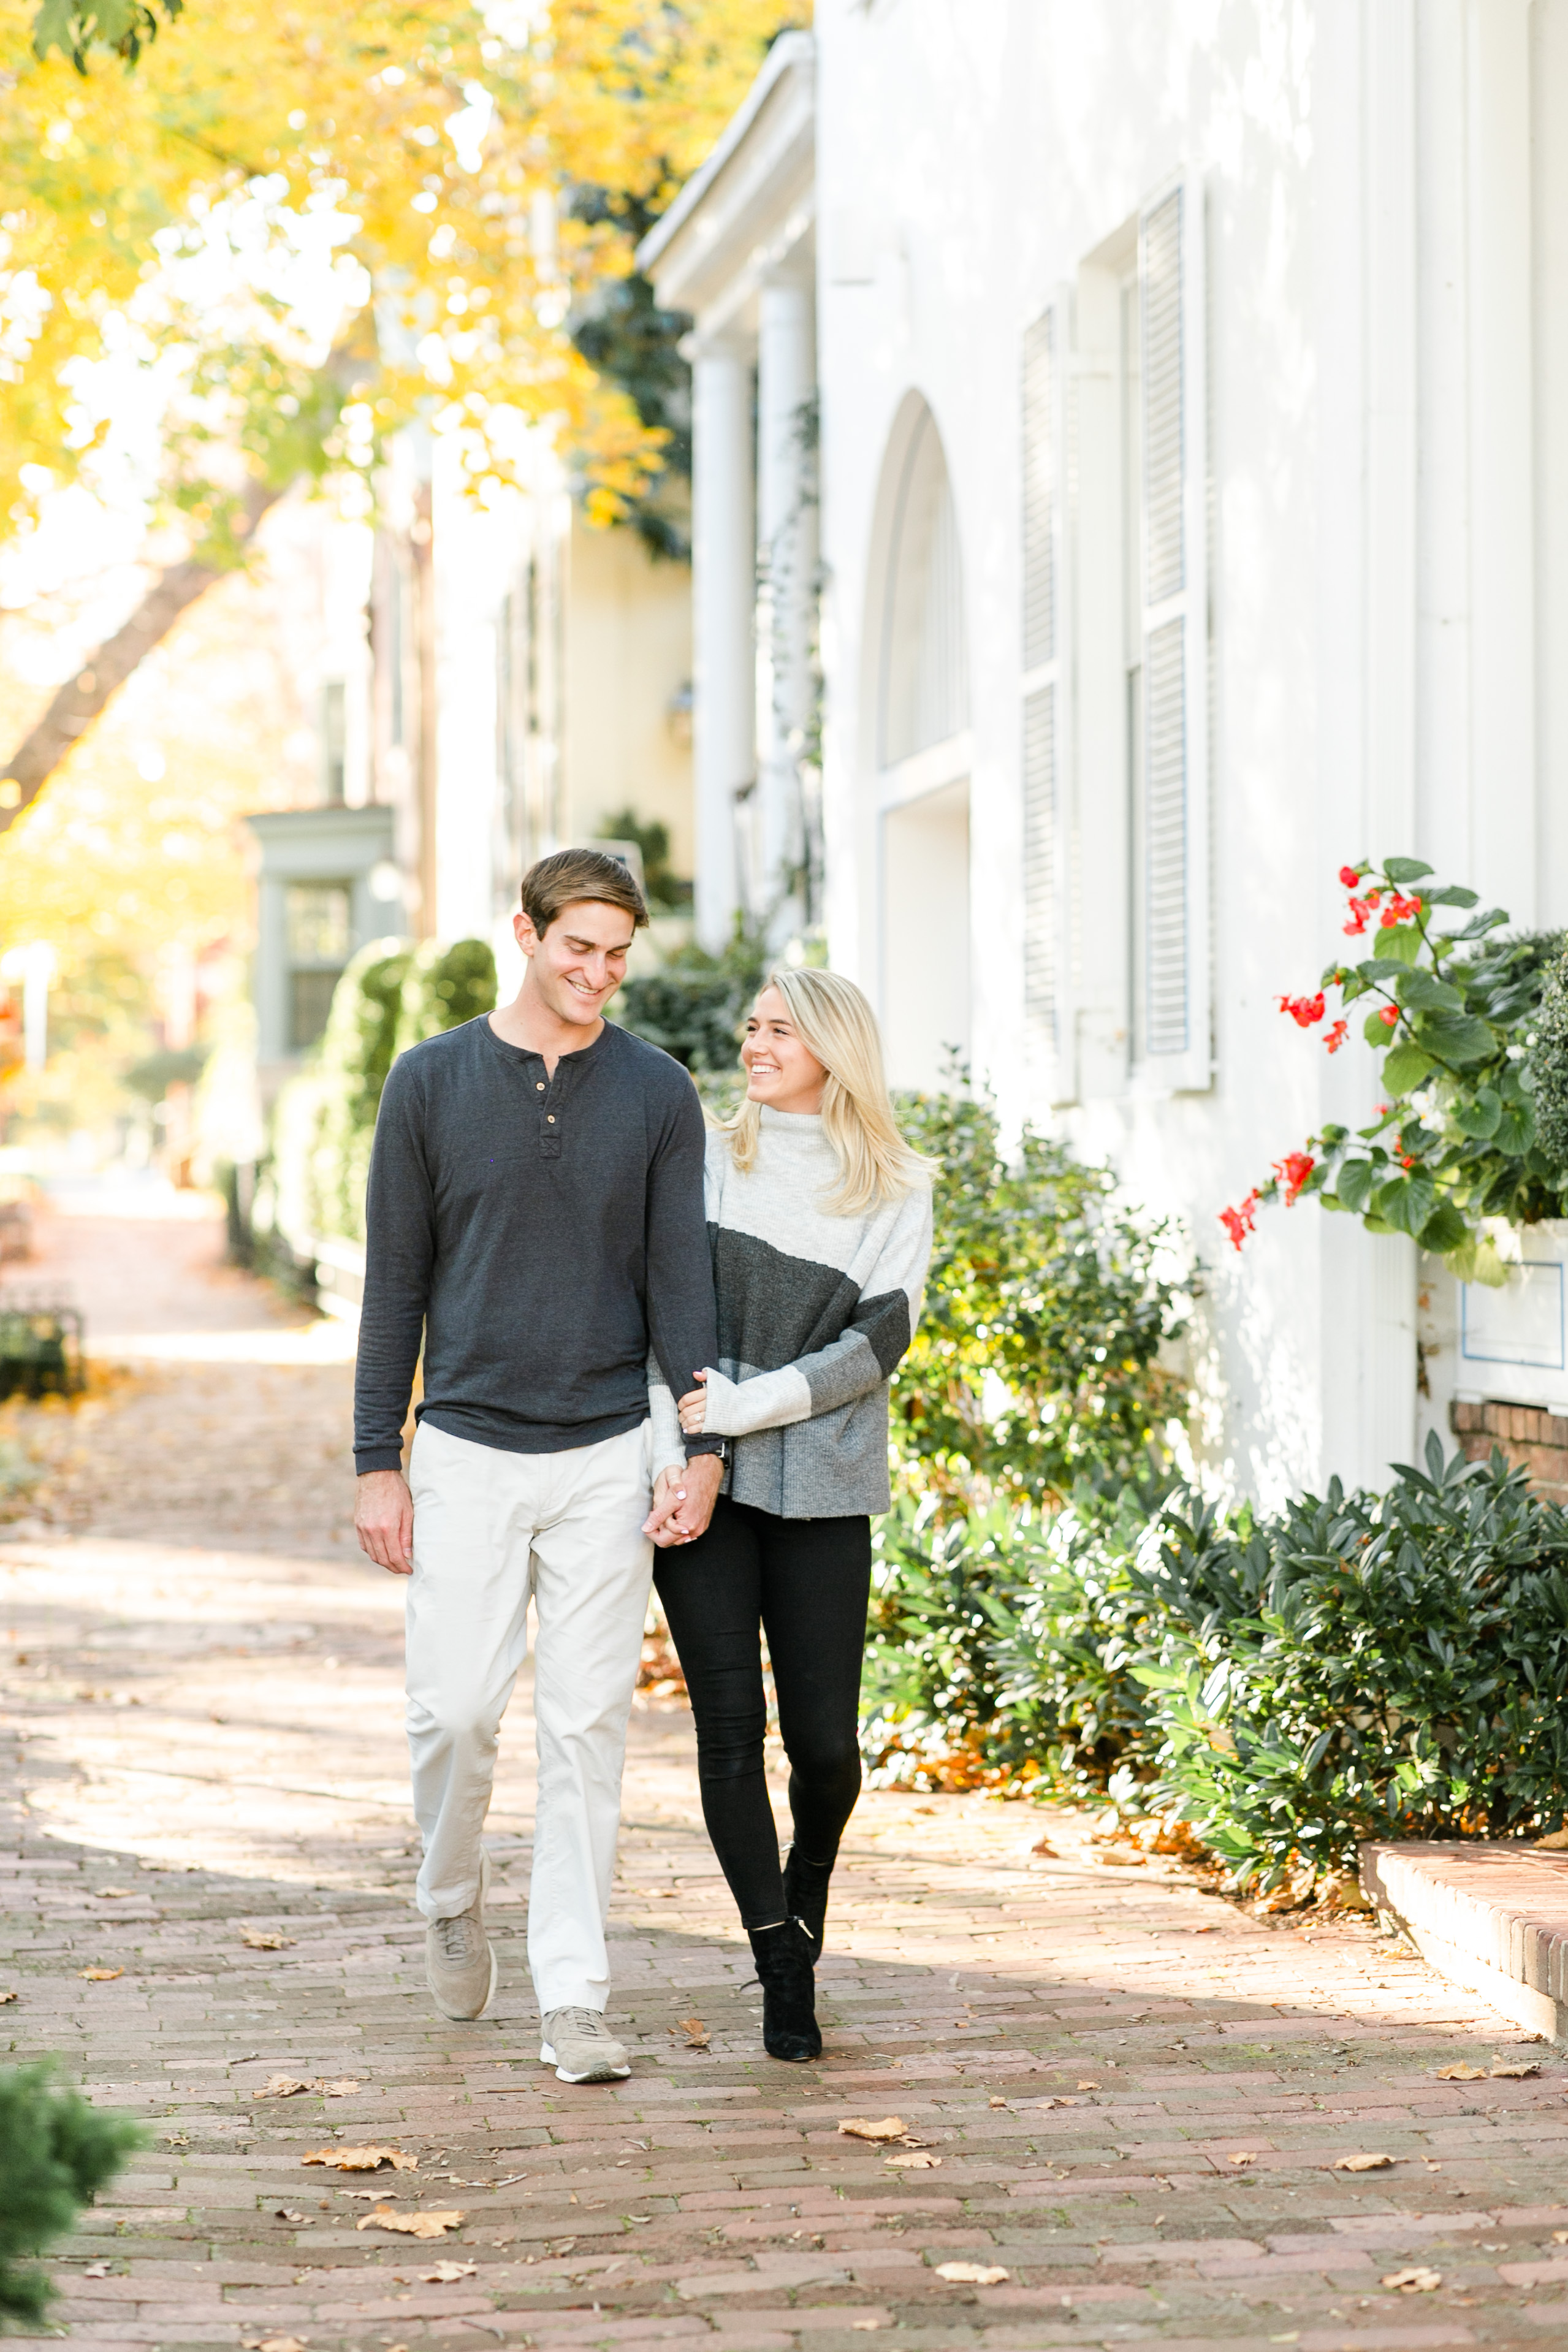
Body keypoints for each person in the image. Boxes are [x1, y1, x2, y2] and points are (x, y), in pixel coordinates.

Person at [352, 847, 725, 2086]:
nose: (599, 973)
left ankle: (573, 1993)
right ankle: (446, 1889)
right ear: (526, 932)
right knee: (453, 1710)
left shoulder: (657, 1091)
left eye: (619, 953)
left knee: (584, 1731)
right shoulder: (429, 1081)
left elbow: (681, 1282)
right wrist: (376, 1458)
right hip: (462, 1445)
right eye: (579, 947)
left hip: (607, 1452)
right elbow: (394, 1283)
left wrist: (703, 1443)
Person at [647, 968, 933, 2063]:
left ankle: (805, 1889)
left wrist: (744, 1402)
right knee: (729, 1731)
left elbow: (875, 1346)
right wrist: (692, 1441)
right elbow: (665, 1311)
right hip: (700, 1477)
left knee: (825, 1748)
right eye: (751, 1023)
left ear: (832, 1045)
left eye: (778, 1028)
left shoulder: (896, 1185)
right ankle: (779, 1964)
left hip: (821, 1476)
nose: (754, 1042)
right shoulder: (713, 1154)